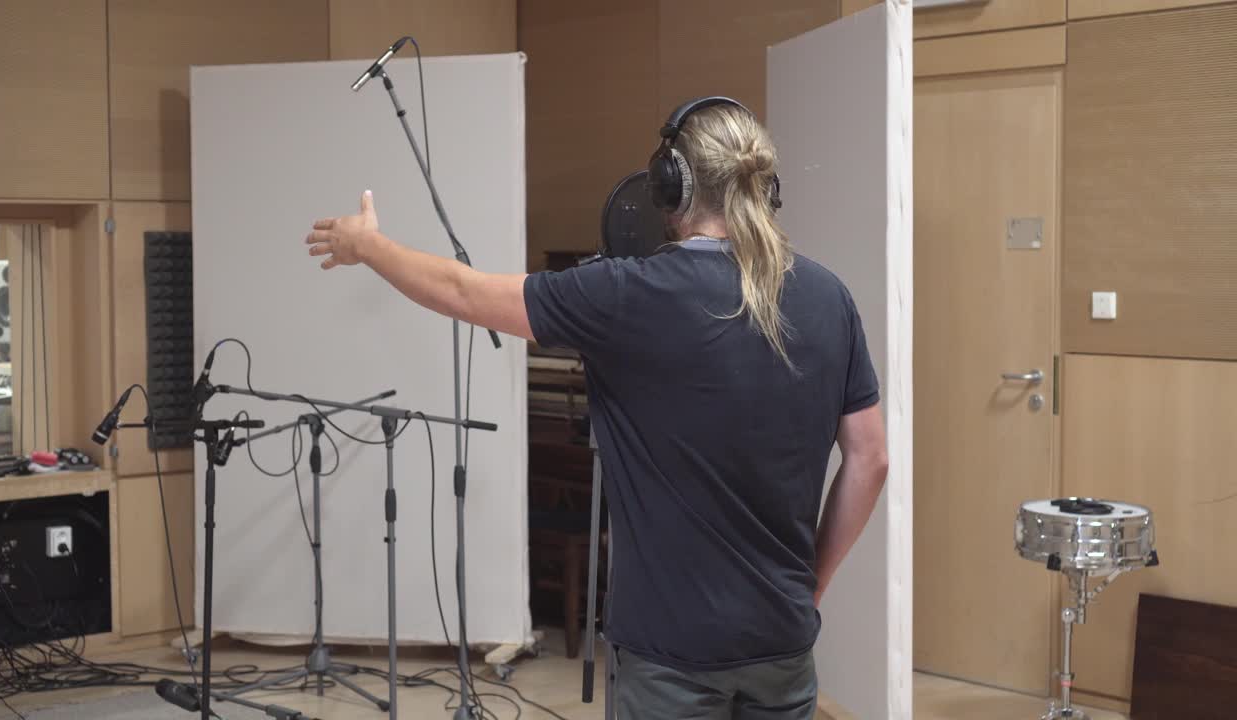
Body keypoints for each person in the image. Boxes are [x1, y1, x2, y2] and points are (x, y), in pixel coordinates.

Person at [305, 99, 888, 719]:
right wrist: (809, 587)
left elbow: (460, 291)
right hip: (783, 643)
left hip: (669, 656)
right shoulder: (830, 297)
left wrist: (368, 246)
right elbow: (870, 458)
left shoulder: (624, 294)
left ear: (672, 185)